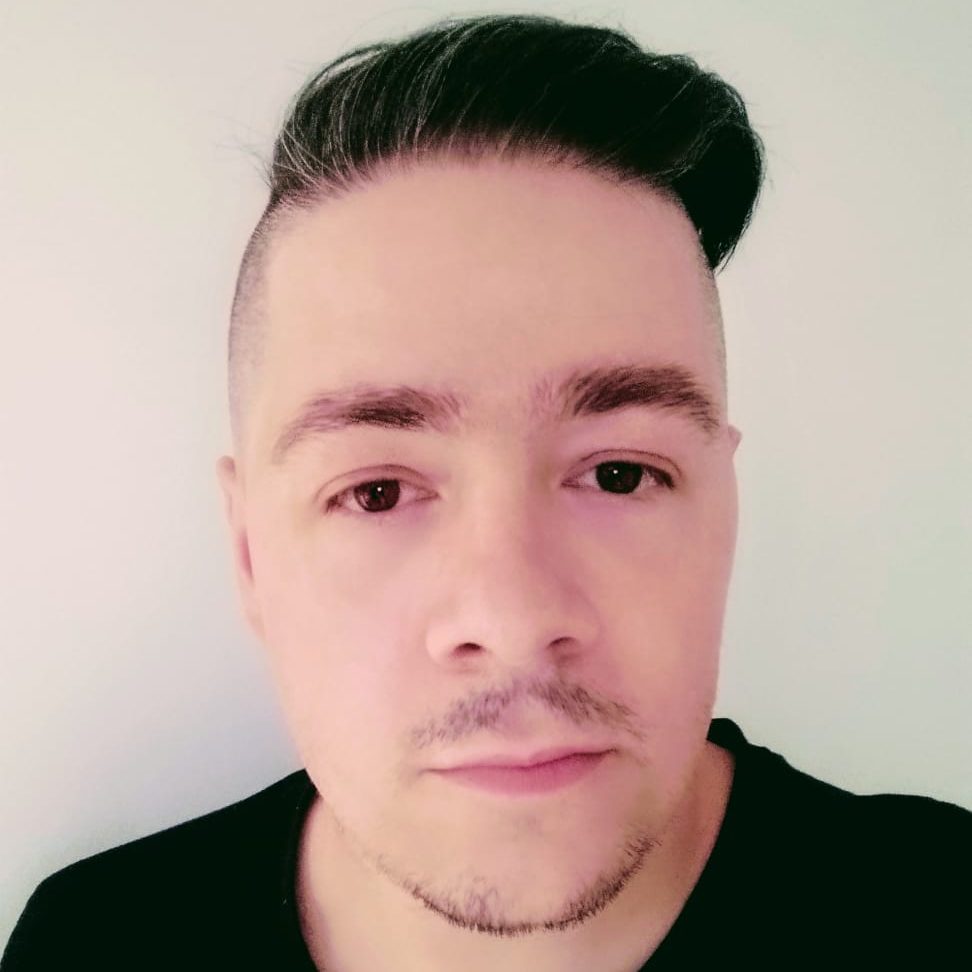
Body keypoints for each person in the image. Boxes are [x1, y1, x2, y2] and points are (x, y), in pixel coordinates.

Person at [3, 12, 968, 970]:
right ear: (250, 555)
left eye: (621, 474)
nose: (514, 620)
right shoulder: (93, 946)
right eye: (378, 492)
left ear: (725, 513)